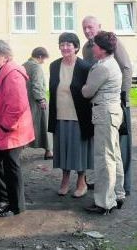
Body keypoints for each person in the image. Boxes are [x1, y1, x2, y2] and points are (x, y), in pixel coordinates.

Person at [0, 40, 34, 217]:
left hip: (10, 130)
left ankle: (16, 206)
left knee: (12, 167)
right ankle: (5, 198)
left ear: (5, 56)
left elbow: (18, 105)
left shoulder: (13, 74)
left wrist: (5, 125)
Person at [82, 15, 132, 195]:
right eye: (84, 28)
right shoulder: (88, 48)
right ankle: (113, 189)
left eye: (90, 27)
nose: (87, 31)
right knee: (109, 149)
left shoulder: (110, 42)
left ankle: (122, 187)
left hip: (116, 100)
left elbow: (126, 67)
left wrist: (121, 97)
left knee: (117, 148)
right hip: (99, 101)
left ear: (99, 26)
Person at [48, 32, 93, 198]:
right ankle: (65, 179)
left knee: (78, 150)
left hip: (78, 116)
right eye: (62, 44)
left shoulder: (84, 67)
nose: (65, 47)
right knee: (62, 149)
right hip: (59, 114)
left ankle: (82, 181)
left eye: (69, 44)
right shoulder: (54, 65)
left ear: (76, 47)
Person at [23, 47, 53, 159]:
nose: (43, 62)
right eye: (43, 59)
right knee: (45, 126)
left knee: (27, 126)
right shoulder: (36, 67)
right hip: (37, 102)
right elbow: (37, 85)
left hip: (26, 100)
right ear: (40, 57)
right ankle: (49, 151)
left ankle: (21, 148)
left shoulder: (24, 65)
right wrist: (41, 99)